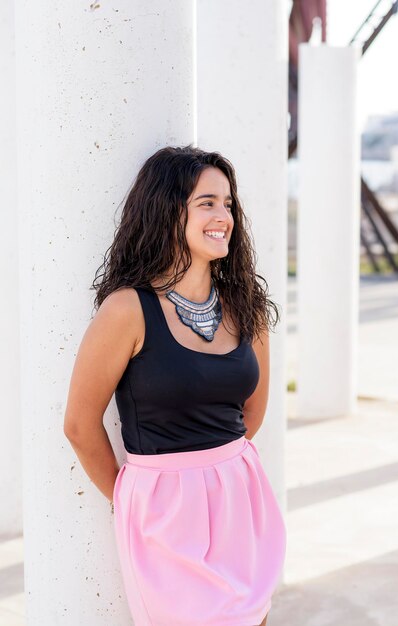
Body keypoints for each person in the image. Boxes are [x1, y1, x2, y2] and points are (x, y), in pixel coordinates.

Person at [64, 145, 286, 626]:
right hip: (163, 513)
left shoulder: (244, 305)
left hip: (241, 499)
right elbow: (80, 425)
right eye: (206, 202)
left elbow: (252, 414)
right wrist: (132, 498)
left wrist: (219, 474)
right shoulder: (126, 310)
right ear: (168, 211)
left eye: (228, 203)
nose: (223, 215)